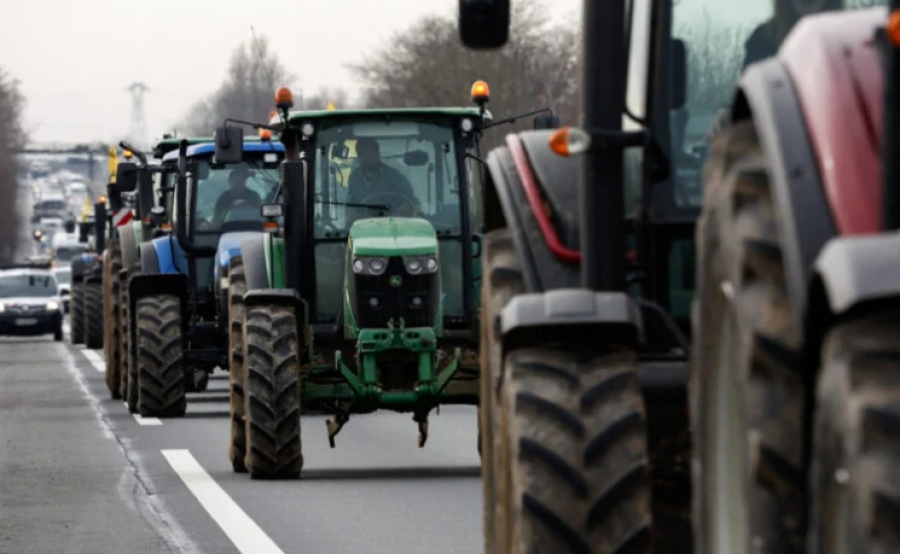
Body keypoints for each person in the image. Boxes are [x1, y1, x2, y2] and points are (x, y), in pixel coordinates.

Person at [346, 138, 419, 213]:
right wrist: (352, 214)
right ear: (357, 156)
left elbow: (414, 203)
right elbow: (349, 206)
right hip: (363, 223)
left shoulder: (395, 177)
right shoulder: (354, 178)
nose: (366, 158)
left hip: (392, 223)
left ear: (377, 154)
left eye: (370, 154)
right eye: (362, 154)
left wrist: (408, 208)